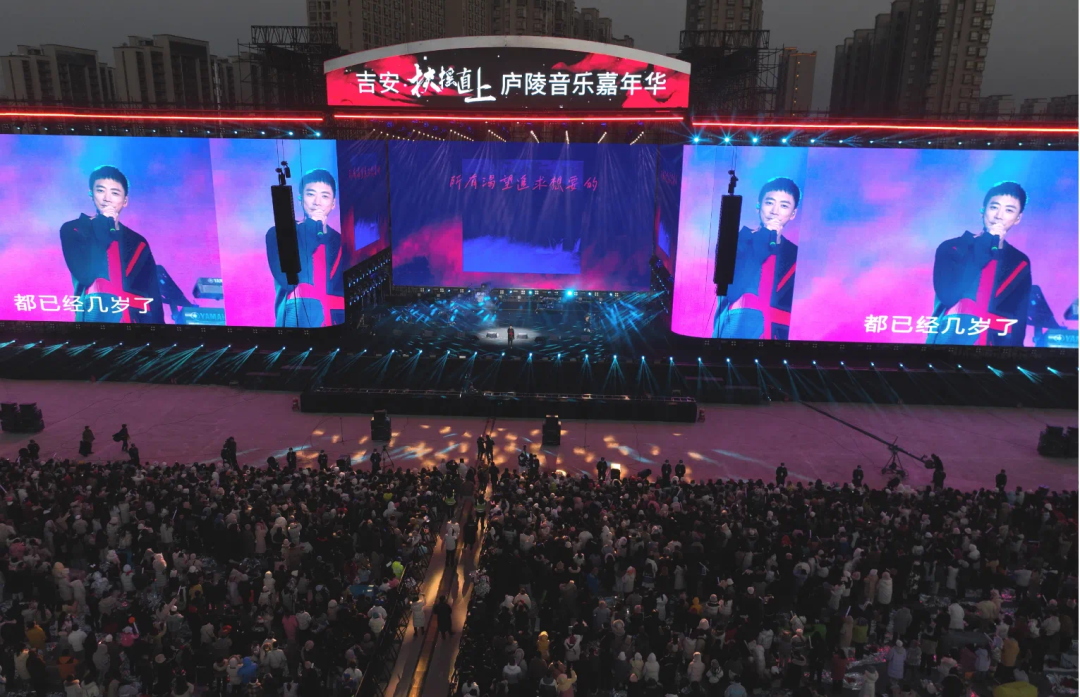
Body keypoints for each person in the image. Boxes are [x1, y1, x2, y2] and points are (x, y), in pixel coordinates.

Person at [929, 181, 1031, 347]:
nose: (999, 216)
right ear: (983, 211)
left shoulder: (1019, 262)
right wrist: (985, 242)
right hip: (948, 344)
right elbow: (948, 296)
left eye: (1009, 210)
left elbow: (1018, 321)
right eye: (994, 207)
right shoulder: (952, 248)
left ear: (1017, 218)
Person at [59, 165, 165, 324]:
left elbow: (153, 295)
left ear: (125, 201)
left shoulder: (138, 242)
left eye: (115, 193)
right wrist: (102, 224)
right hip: (92, 320)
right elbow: (86, 275)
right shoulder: (74, 229)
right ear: (91, 194)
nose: (107, 198)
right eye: (100, 191)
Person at [713, 177, 801, 340]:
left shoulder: (795, 254)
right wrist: (764, 237)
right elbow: (732, 290)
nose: (775, 211)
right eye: (769, 203)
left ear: (793, 213)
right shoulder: (735, 240)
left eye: (784, 206)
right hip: (737, 333)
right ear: (758, 206)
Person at [266, 168, 345, 328]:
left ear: (333, 203)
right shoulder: (279, 234)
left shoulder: (341, 241)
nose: (317, 202)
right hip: (296, 323)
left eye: (324, 196)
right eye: (310, 194)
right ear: (300, 200)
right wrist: (311, 227)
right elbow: (289, 281)